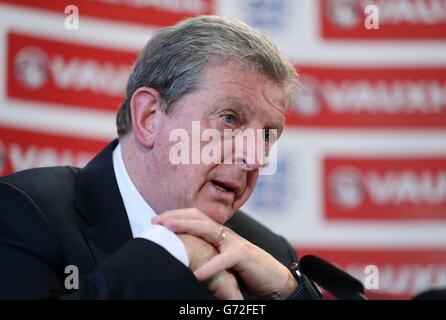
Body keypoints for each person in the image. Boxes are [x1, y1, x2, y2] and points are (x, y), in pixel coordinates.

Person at [0, 16, 320, 300]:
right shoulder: (24, 214)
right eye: (230, 119)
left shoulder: (269, 253)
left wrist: (290, 291)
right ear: (149, 117)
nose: (254, 160)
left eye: (267, 136)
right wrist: (172, 251)